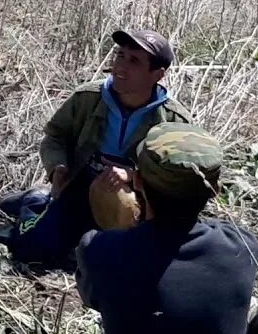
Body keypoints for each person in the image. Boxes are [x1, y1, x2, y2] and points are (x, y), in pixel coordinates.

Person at [76, 123, 258, 334]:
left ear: (137, 180)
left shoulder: (99, 250)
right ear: (215, 191)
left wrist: (127, 227)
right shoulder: (243, 246)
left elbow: (94, 299)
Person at [34, 28, 191, 260]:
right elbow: (55, 136)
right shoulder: (88, 98)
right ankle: (33, 203)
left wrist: (133, 175)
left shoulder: (174, 121)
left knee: (123, 261)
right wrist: (57, 167)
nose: (121, 67)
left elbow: (181, 180)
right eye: (120, 56)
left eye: (135, 61)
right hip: (80, 186)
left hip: (135, 204)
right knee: (35, 247)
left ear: (157, 75)